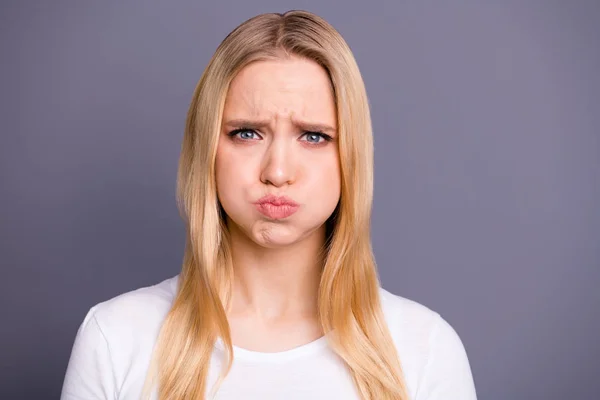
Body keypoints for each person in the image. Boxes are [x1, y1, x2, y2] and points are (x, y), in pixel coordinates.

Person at [60, 10, 477, 400]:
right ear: (207, 149)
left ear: (350, 156)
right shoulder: (115, 338)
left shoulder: (425, 349)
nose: (277, 171)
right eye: (247, 133)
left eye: (313, 136)